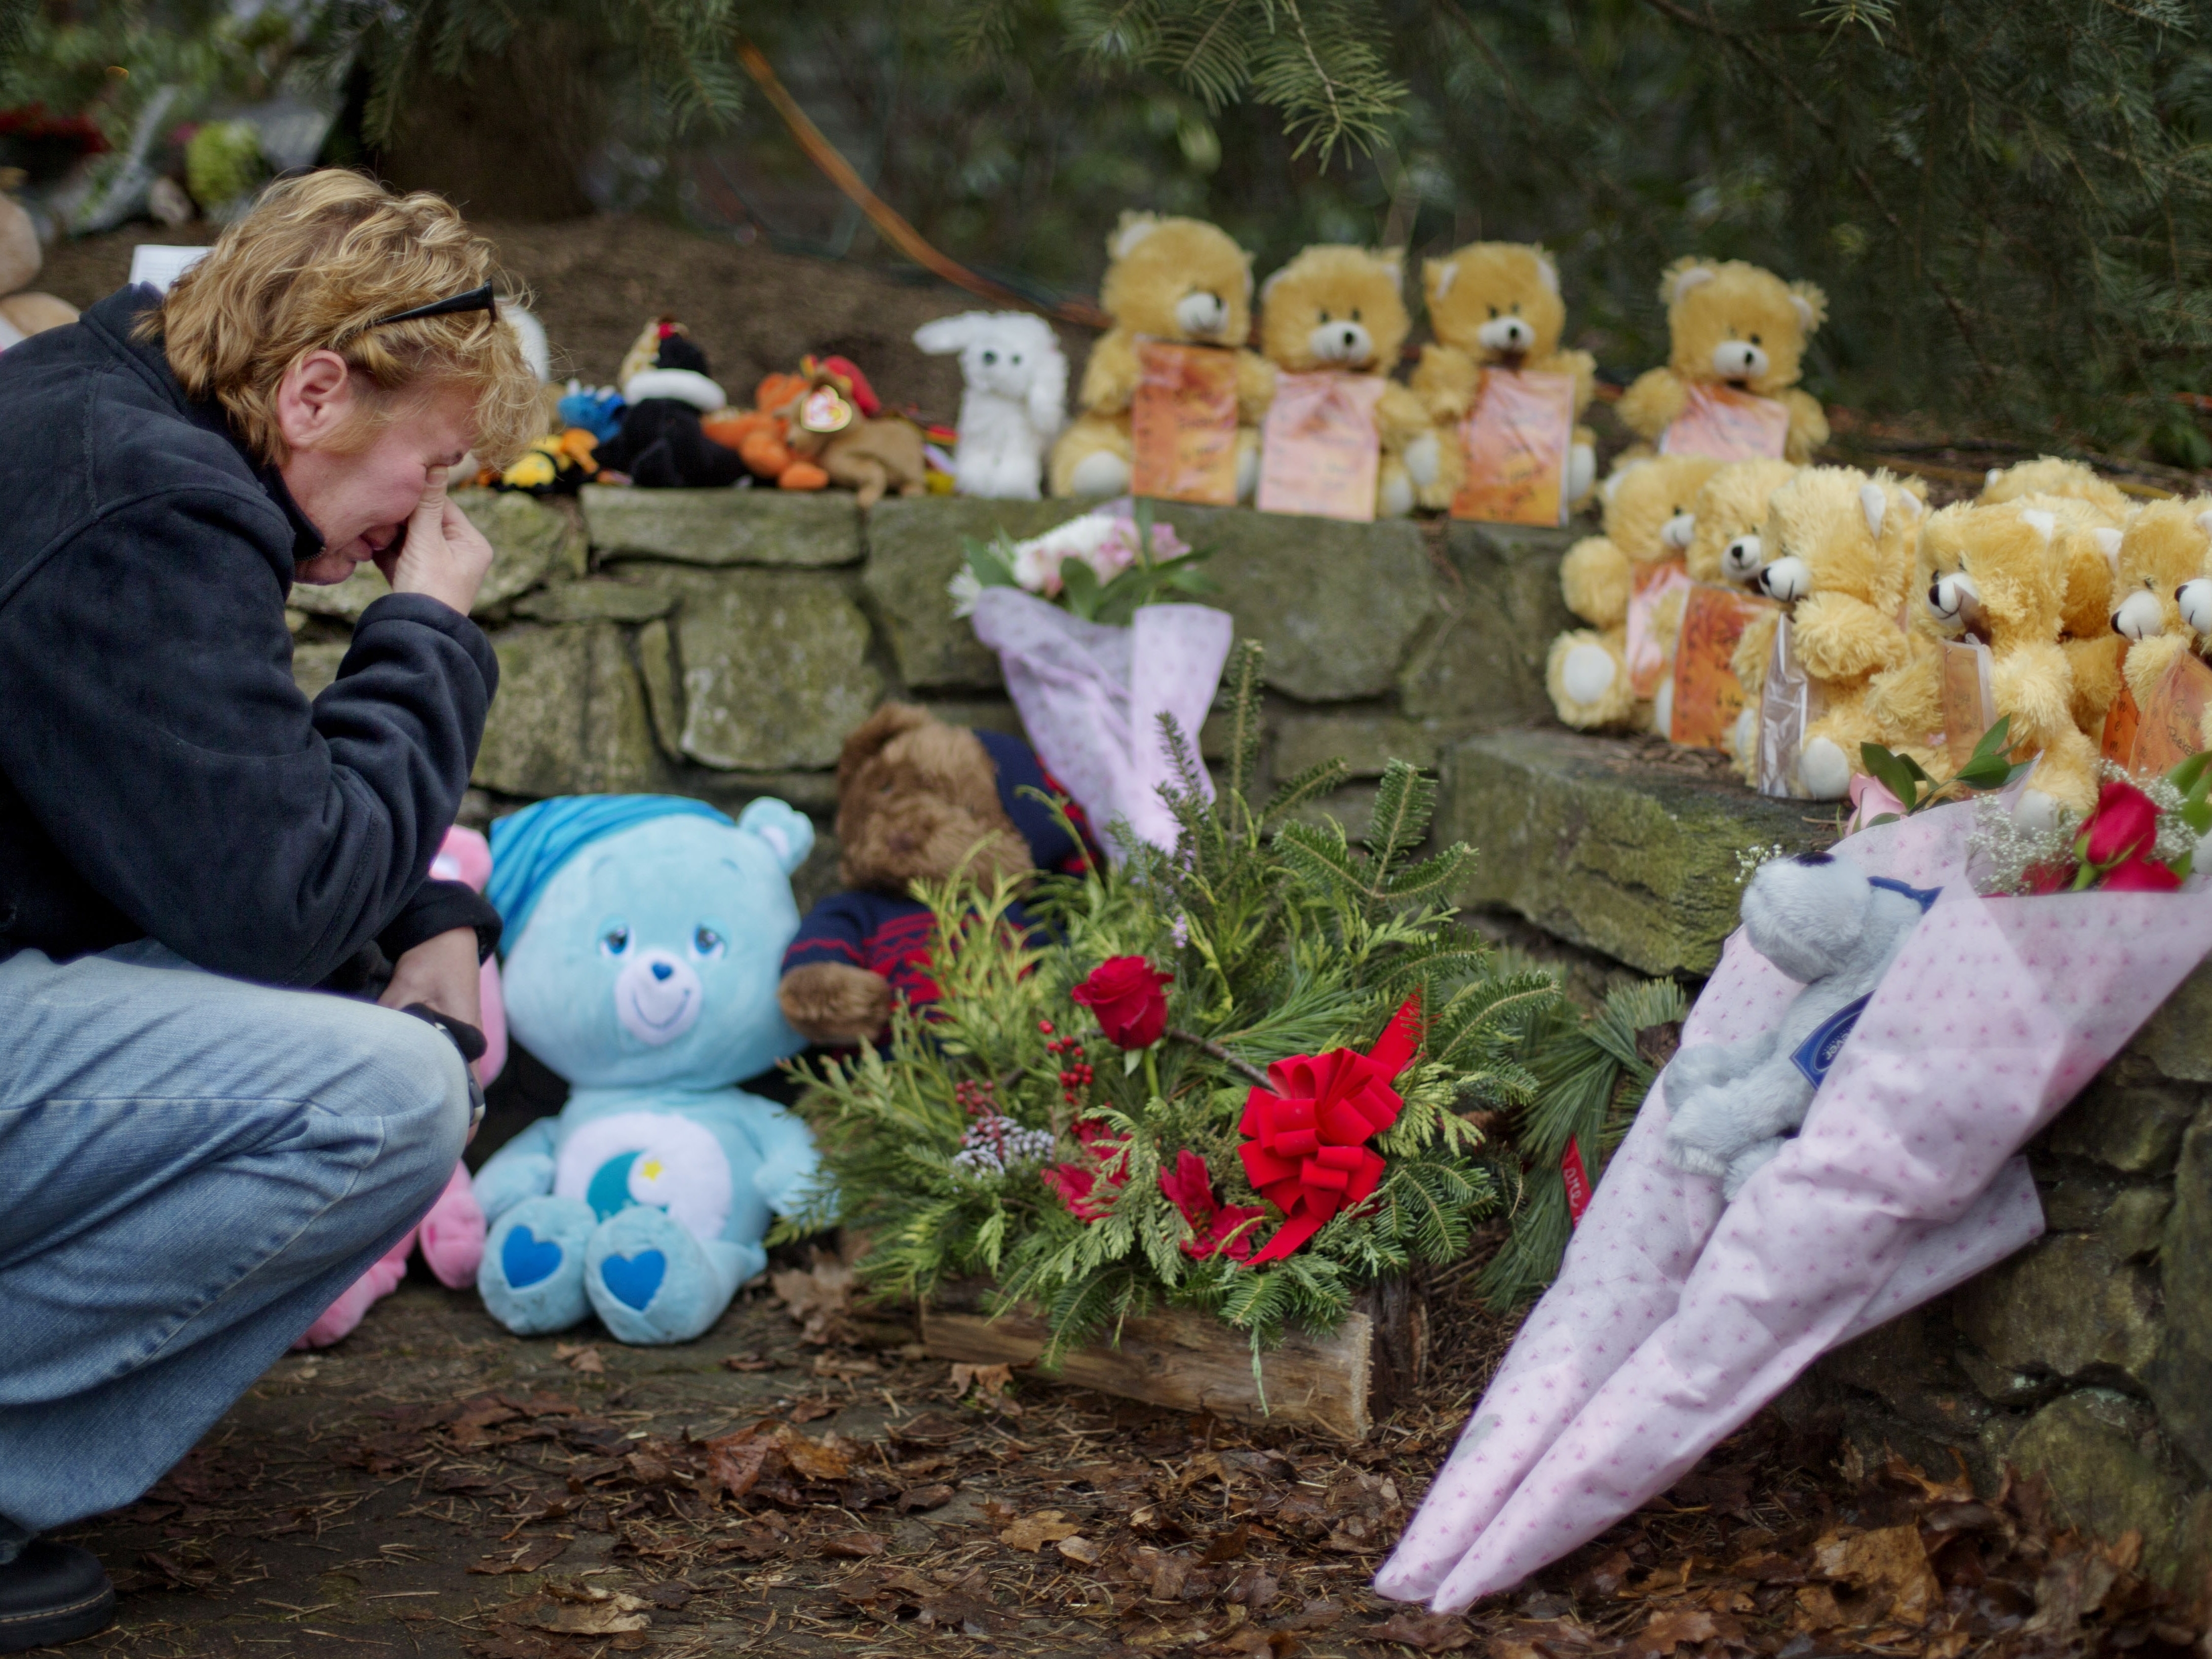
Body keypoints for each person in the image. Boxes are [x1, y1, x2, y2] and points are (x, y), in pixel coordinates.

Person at [0, 171, 540, 1651]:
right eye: (426, 469)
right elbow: (280, 898)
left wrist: (432, 909)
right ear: (314, 391)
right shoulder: (147, 506)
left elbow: (217, 804)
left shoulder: (99, 424)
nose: (417, 523)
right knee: (384, 1099)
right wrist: (426, 634)